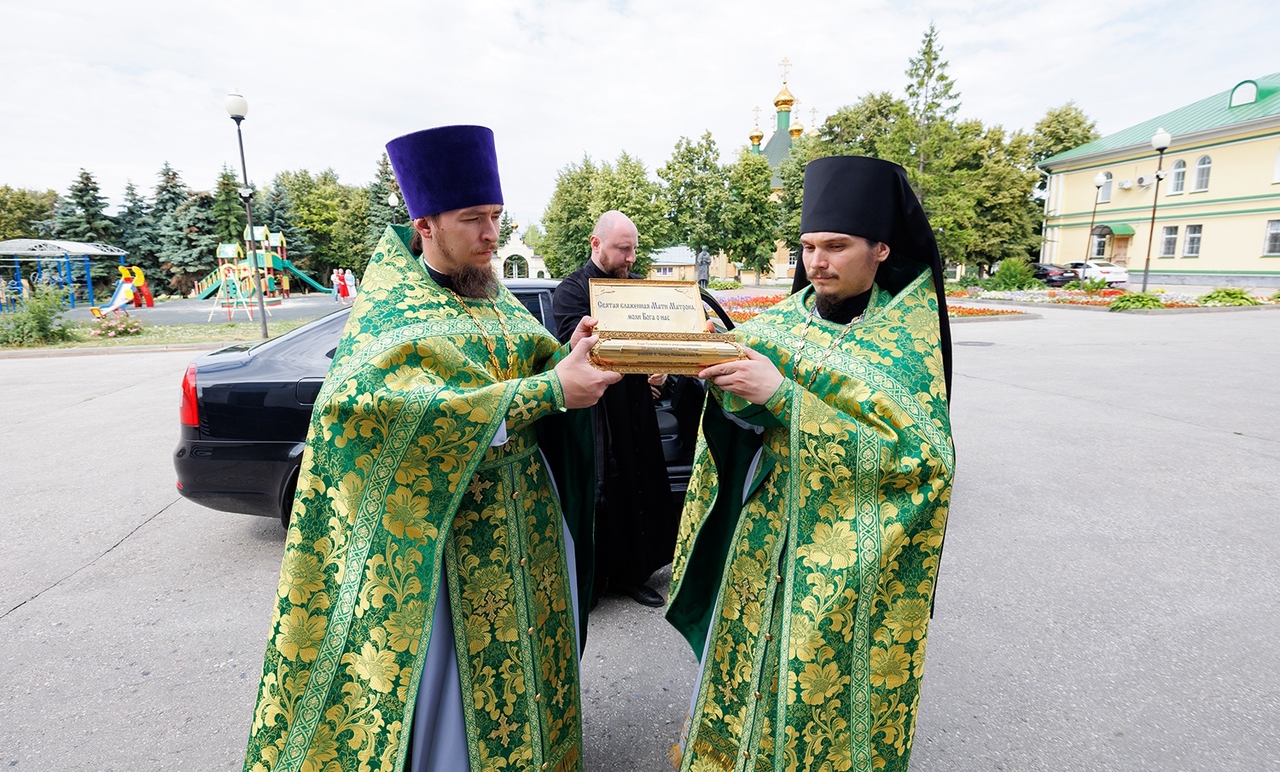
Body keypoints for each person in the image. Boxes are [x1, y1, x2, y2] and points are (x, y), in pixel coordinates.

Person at [241, 124, 621, 772]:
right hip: (446, 547)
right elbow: (376, 411)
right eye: (472, 218)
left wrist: (571, 350)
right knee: (451, 715)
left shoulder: (491, 293)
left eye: (496, 216)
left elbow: (528, 364)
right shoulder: (394, 308)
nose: (490, 234)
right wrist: (549, 391)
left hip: (524, 541)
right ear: (425, 224)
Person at [665, 155, 955, 772]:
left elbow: (923, 460)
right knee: (742, 677)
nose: (817, 261)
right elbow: (736, 413)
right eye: (808, 246)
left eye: (836, 246)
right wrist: (695, 374)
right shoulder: (779, 324)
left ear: (880, 249)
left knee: (815, 698)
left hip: (845, 556)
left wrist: (783, 397)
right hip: (763, 542)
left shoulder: (904, 336)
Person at [551, 210, 675, 608]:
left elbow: (664, 341)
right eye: (623, 249)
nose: (630, 258)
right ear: (596, 243)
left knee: (640, 488)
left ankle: (634, 575)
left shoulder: (638, 288)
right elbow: (574, 350)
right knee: (603, 495)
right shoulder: (571, 291)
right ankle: (595, 579)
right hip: (596, 415)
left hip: (637, 408)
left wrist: (662, 374)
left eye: (633, 249)